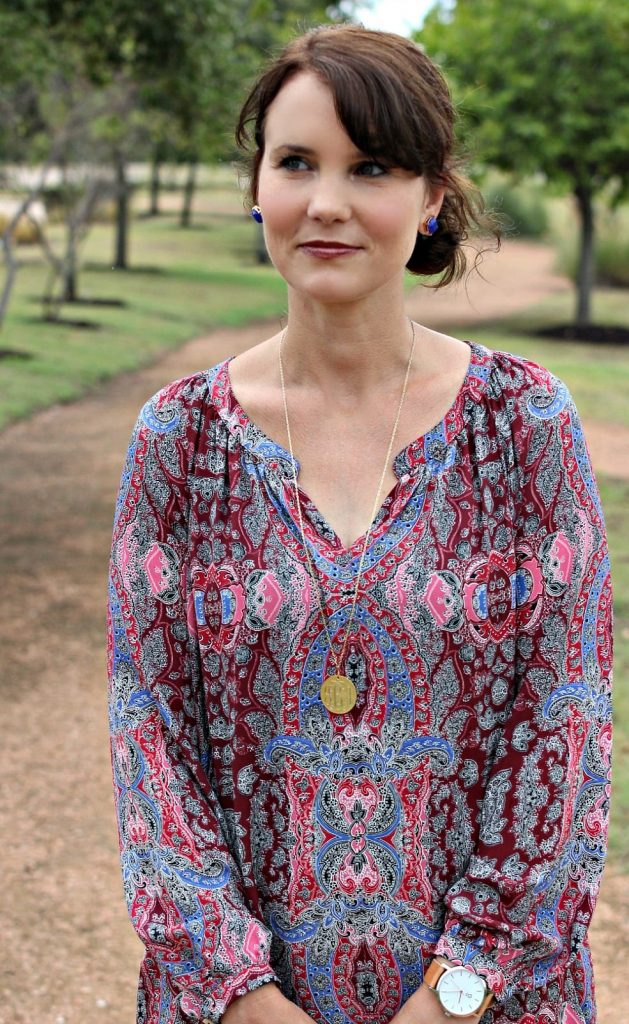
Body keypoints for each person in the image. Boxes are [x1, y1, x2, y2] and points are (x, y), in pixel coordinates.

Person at [107, 24, 613, 1024]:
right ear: (256, 185)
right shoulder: (178, 439)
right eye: (296, 162)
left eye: (370, 165)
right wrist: (245, 999)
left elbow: (561, 740)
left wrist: (450, 999)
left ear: (430, 197)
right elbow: (150, 747)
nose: (326, 201)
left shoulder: (522, 425)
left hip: (489, 1008)